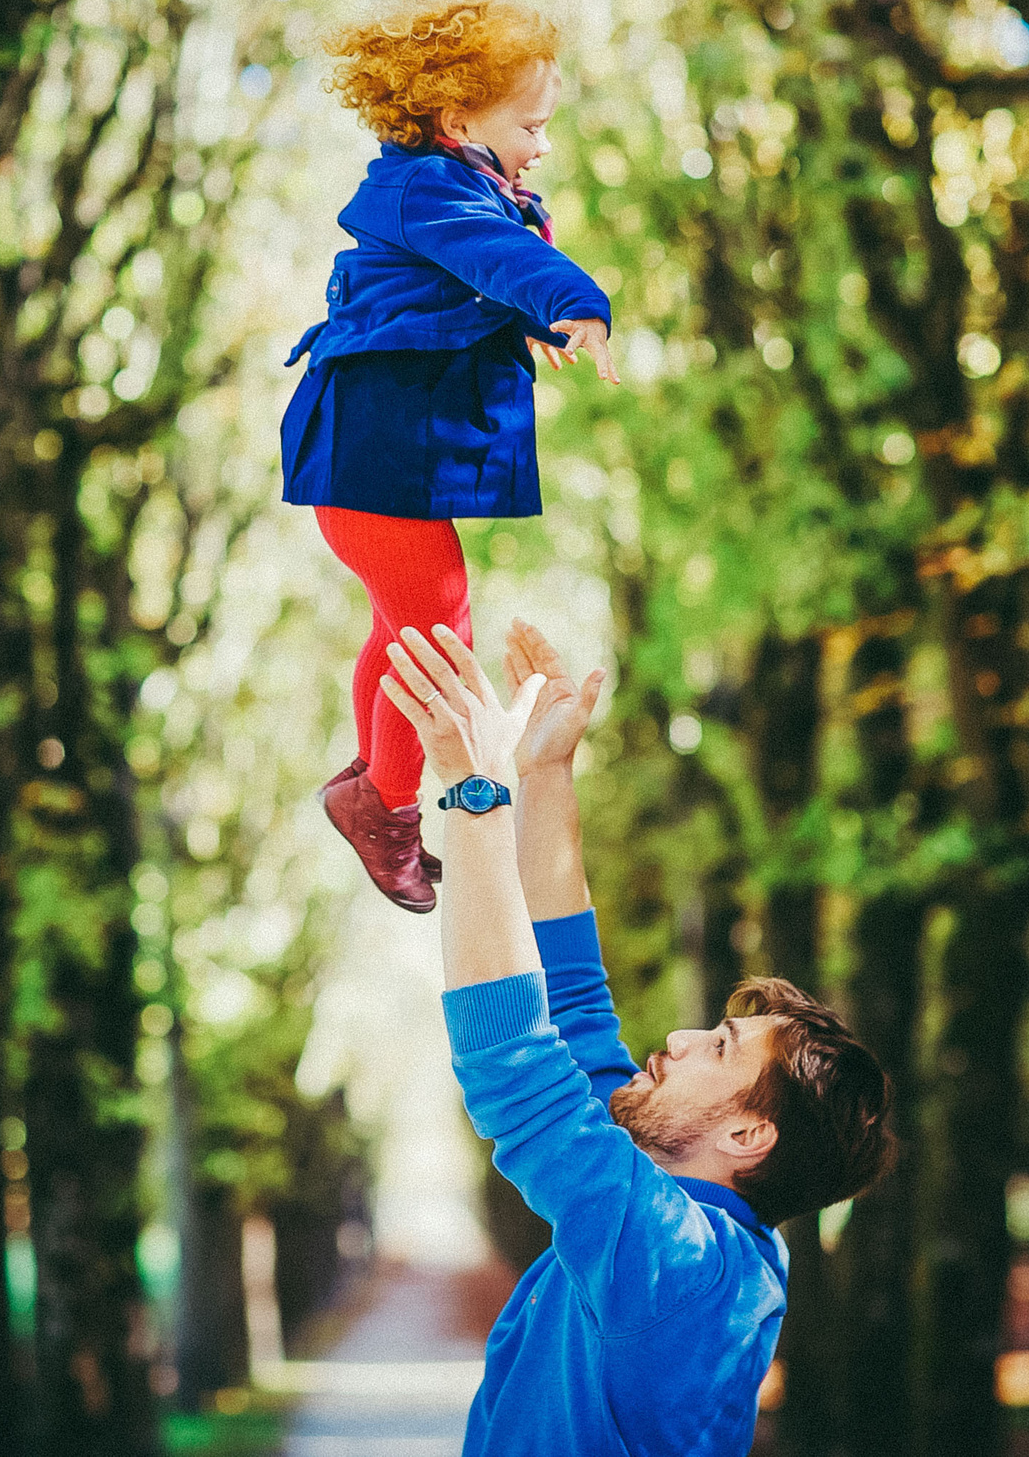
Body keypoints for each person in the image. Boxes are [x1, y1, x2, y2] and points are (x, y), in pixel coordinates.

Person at [377, 617, 895, 1457]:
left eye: (721, 1048)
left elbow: (523, 1076)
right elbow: (574, 1005)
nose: (683, 1038)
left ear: (747, 1133)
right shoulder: (684, 1234)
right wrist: (544, 774)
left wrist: (475, 792)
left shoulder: (682, 1267)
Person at [282, 0, 625, 915]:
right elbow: (488, 254)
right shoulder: (427, 188)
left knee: (406, 624)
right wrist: (573, 300)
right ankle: (385, 807)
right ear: (458, 119)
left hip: (380, 457)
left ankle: (368, 790)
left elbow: (478, 267)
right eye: (532, 124)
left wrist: (532, 313)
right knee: (438, 630)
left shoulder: (466, 187)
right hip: (367, 454)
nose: (543, 145)